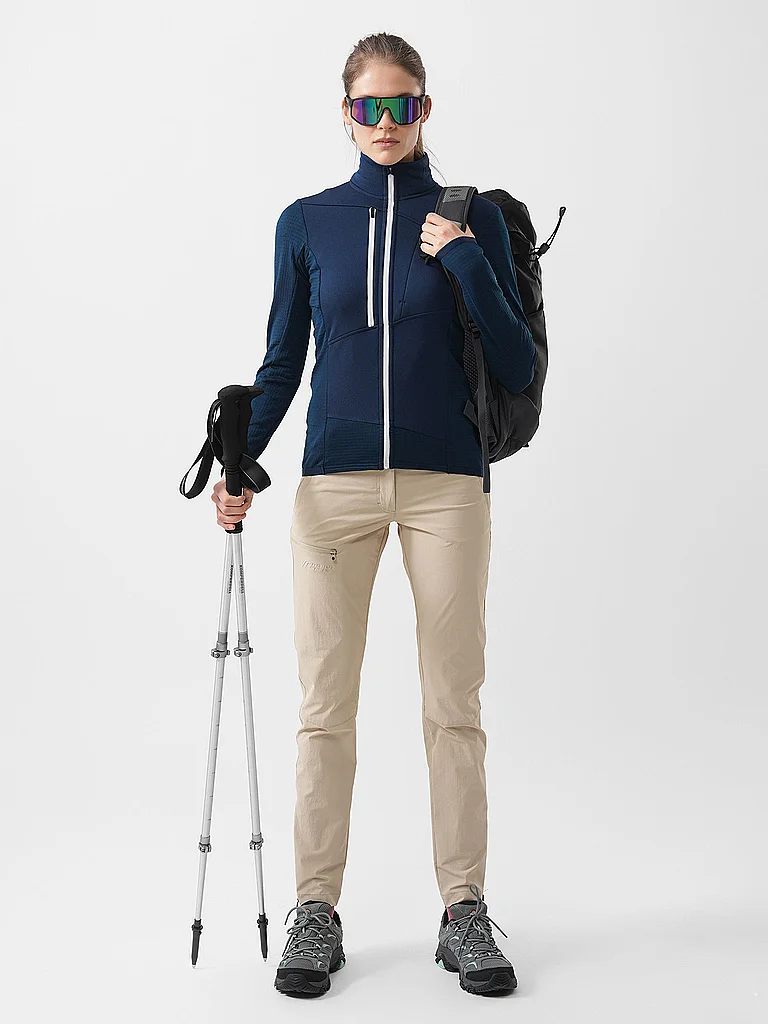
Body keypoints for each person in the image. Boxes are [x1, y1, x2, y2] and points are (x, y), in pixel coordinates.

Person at [211, 32, 534, 999]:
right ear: (346, 115)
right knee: (324, 708)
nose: (385, 122)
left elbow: (517, 362)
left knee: (453, 705)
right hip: (334, 489)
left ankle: (463, 910)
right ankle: (316, 908)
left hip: (447, 485)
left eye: (402, 105)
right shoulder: (307, 222)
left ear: (424, 109)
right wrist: (242, 460)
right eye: (368, 107)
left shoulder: (473, 219)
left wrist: (466, 259)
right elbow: (282, 361)